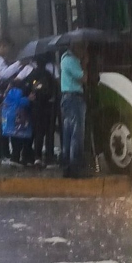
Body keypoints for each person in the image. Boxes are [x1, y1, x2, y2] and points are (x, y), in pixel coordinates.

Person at [60, 42, 88, 178]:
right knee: (76, 134)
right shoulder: (71, 60)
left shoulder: (64, 58)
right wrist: (85, 64)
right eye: (82, 47)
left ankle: (66, 167)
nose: (83, 50)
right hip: (74, 99)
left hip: (67, 99)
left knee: (68, 133)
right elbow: (83, 78)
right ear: (75, 47)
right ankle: (75, 167)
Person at [27, 55, 58, 168]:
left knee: (37, 132)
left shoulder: (32, 74)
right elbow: (52, 91)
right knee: (49, 133)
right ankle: (49, 158)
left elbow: (27, 89)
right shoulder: (49, 75)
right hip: (47, 107)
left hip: (35, 107)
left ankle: (37, 157)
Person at [2, 76, 33, 166]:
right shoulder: (18, 92)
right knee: (19, 141)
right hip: (18, 123)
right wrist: (29, 99)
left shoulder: (9, 93)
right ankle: (16, 158)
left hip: (10, 124)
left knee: (14, 141)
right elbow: (20, 102)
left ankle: (14, 157)